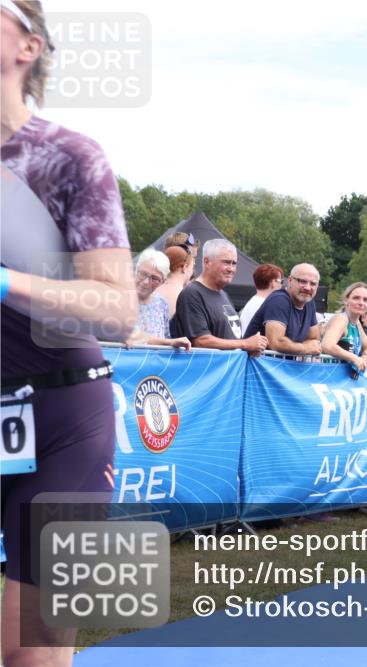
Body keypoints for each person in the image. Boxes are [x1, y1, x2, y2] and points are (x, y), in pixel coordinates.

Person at [1, 2, 139, 663]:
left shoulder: (69, 157)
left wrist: (6, 281)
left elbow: (118, 311)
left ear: (29, 46)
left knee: (33, 649)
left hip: (64, 418)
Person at [170, 239, 268, 354]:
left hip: (230, 369)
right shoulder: (192, 294)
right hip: (208, 370)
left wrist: (247, 349)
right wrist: (245, 344)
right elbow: (201, 341)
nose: (231, 269)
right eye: (226, 262)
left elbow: (231, 338)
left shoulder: (223, 295)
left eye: (234, 263)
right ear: (207, 262)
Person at [243, 263, 321, 356]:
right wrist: (305, 348)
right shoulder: (279, 300)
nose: (308, 287)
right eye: (302, 281)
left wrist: (301, 347)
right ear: (290, 280)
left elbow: (314, 340)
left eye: (313, 283)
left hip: (280, 367)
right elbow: (276, 342)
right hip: (258, 366)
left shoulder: (309, 303)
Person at [126, 249, 191, 350]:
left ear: (163, 281)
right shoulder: (118, 298)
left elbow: (165, 336)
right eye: (143, 273)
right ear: (135, 270)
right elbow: (134, 336)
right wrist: (170, 342)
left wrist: (170, 342)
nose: (146, 282)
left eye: (154, 278)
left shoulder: (161, 303)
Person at [320, 281, 367, 377]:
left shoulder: (357, 324)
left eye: (365, 300)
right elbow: (327, 345)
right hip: (327, 376)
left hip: (342, 379)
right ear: (346, 300)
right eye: (356, 298)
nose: (361, 303)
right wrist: (354, 358)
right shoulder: (341, 319)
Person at [239, 263, 283, 334]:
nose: (281, 285)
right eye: (281, 281)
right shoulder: (268, 305)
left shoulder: (252, 302)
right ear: (273, 283)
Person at [155, 245, 194, 317]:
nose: (192, 272)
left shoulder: (154, 292)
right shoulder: (186, 297)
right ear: (184, 267)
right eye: (192, 267)